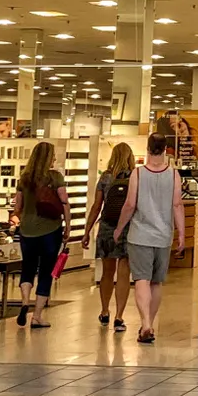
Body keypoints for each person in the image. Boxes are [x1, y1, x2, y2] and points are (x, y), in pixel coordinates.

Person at [114, 130, 184, 344]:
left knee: (141, 279)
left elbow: (130, 204)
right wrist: (181, 233)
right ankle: (150, 324)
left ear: (147, 148)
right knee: (156, 282)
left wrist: (119, 228)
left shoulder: (138, 173)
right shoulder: (173, 174)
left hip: (140, 235)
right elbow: (177, 204)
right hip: (163, 237)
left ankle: (145, 323)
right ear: (165, 150)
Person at [13, 141, 68, 329]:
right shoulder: (55, 178)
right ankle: (37, 316)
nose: (54, 158)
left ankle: (24, 302)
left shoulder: (24, 178)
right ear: (48, 158)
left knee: (27, 268)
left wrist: (20, 217)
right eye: (52, 155)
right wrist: (68, 226)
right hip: (50, 230)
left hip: (27, 230)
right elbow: (65, 203)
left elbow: (17, 207)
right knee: (46, 272)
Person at [83, 141, 135, 332]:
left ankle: (105, 311)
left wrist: (87, 231)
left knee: (107, 273)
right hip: (128, 228)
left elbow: (97, 206)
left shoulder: (105, 178)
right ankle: (120, 316)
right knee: (123, 273)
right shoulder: (134, 178)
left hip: (107, 227)